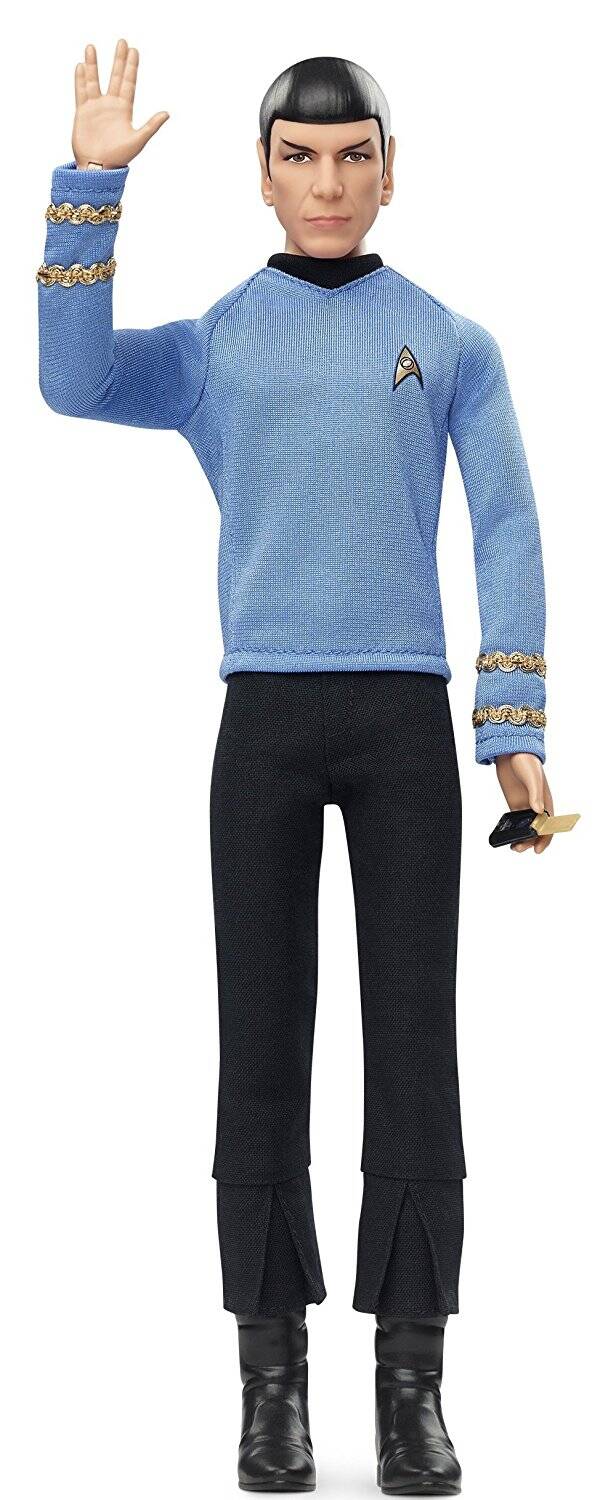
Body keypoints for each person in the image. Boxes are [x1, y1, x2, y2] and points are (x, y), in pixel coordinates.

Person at [37, 39, 554, 1495]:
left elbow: (507, 523)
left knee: (415, 1044)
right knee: (258, 1045)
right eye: (299, 157)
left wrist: (511, 728)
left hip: (403, 727)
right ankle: (271, 1387)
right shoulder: (218, 344)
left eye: (353, 156)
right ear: (261, 175)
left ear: (392, 171)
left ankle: (412, 1384)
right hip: (261, 718)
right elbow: (73, 381)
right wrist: (87, 187)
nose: (327, 183)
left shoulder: (451, 343)